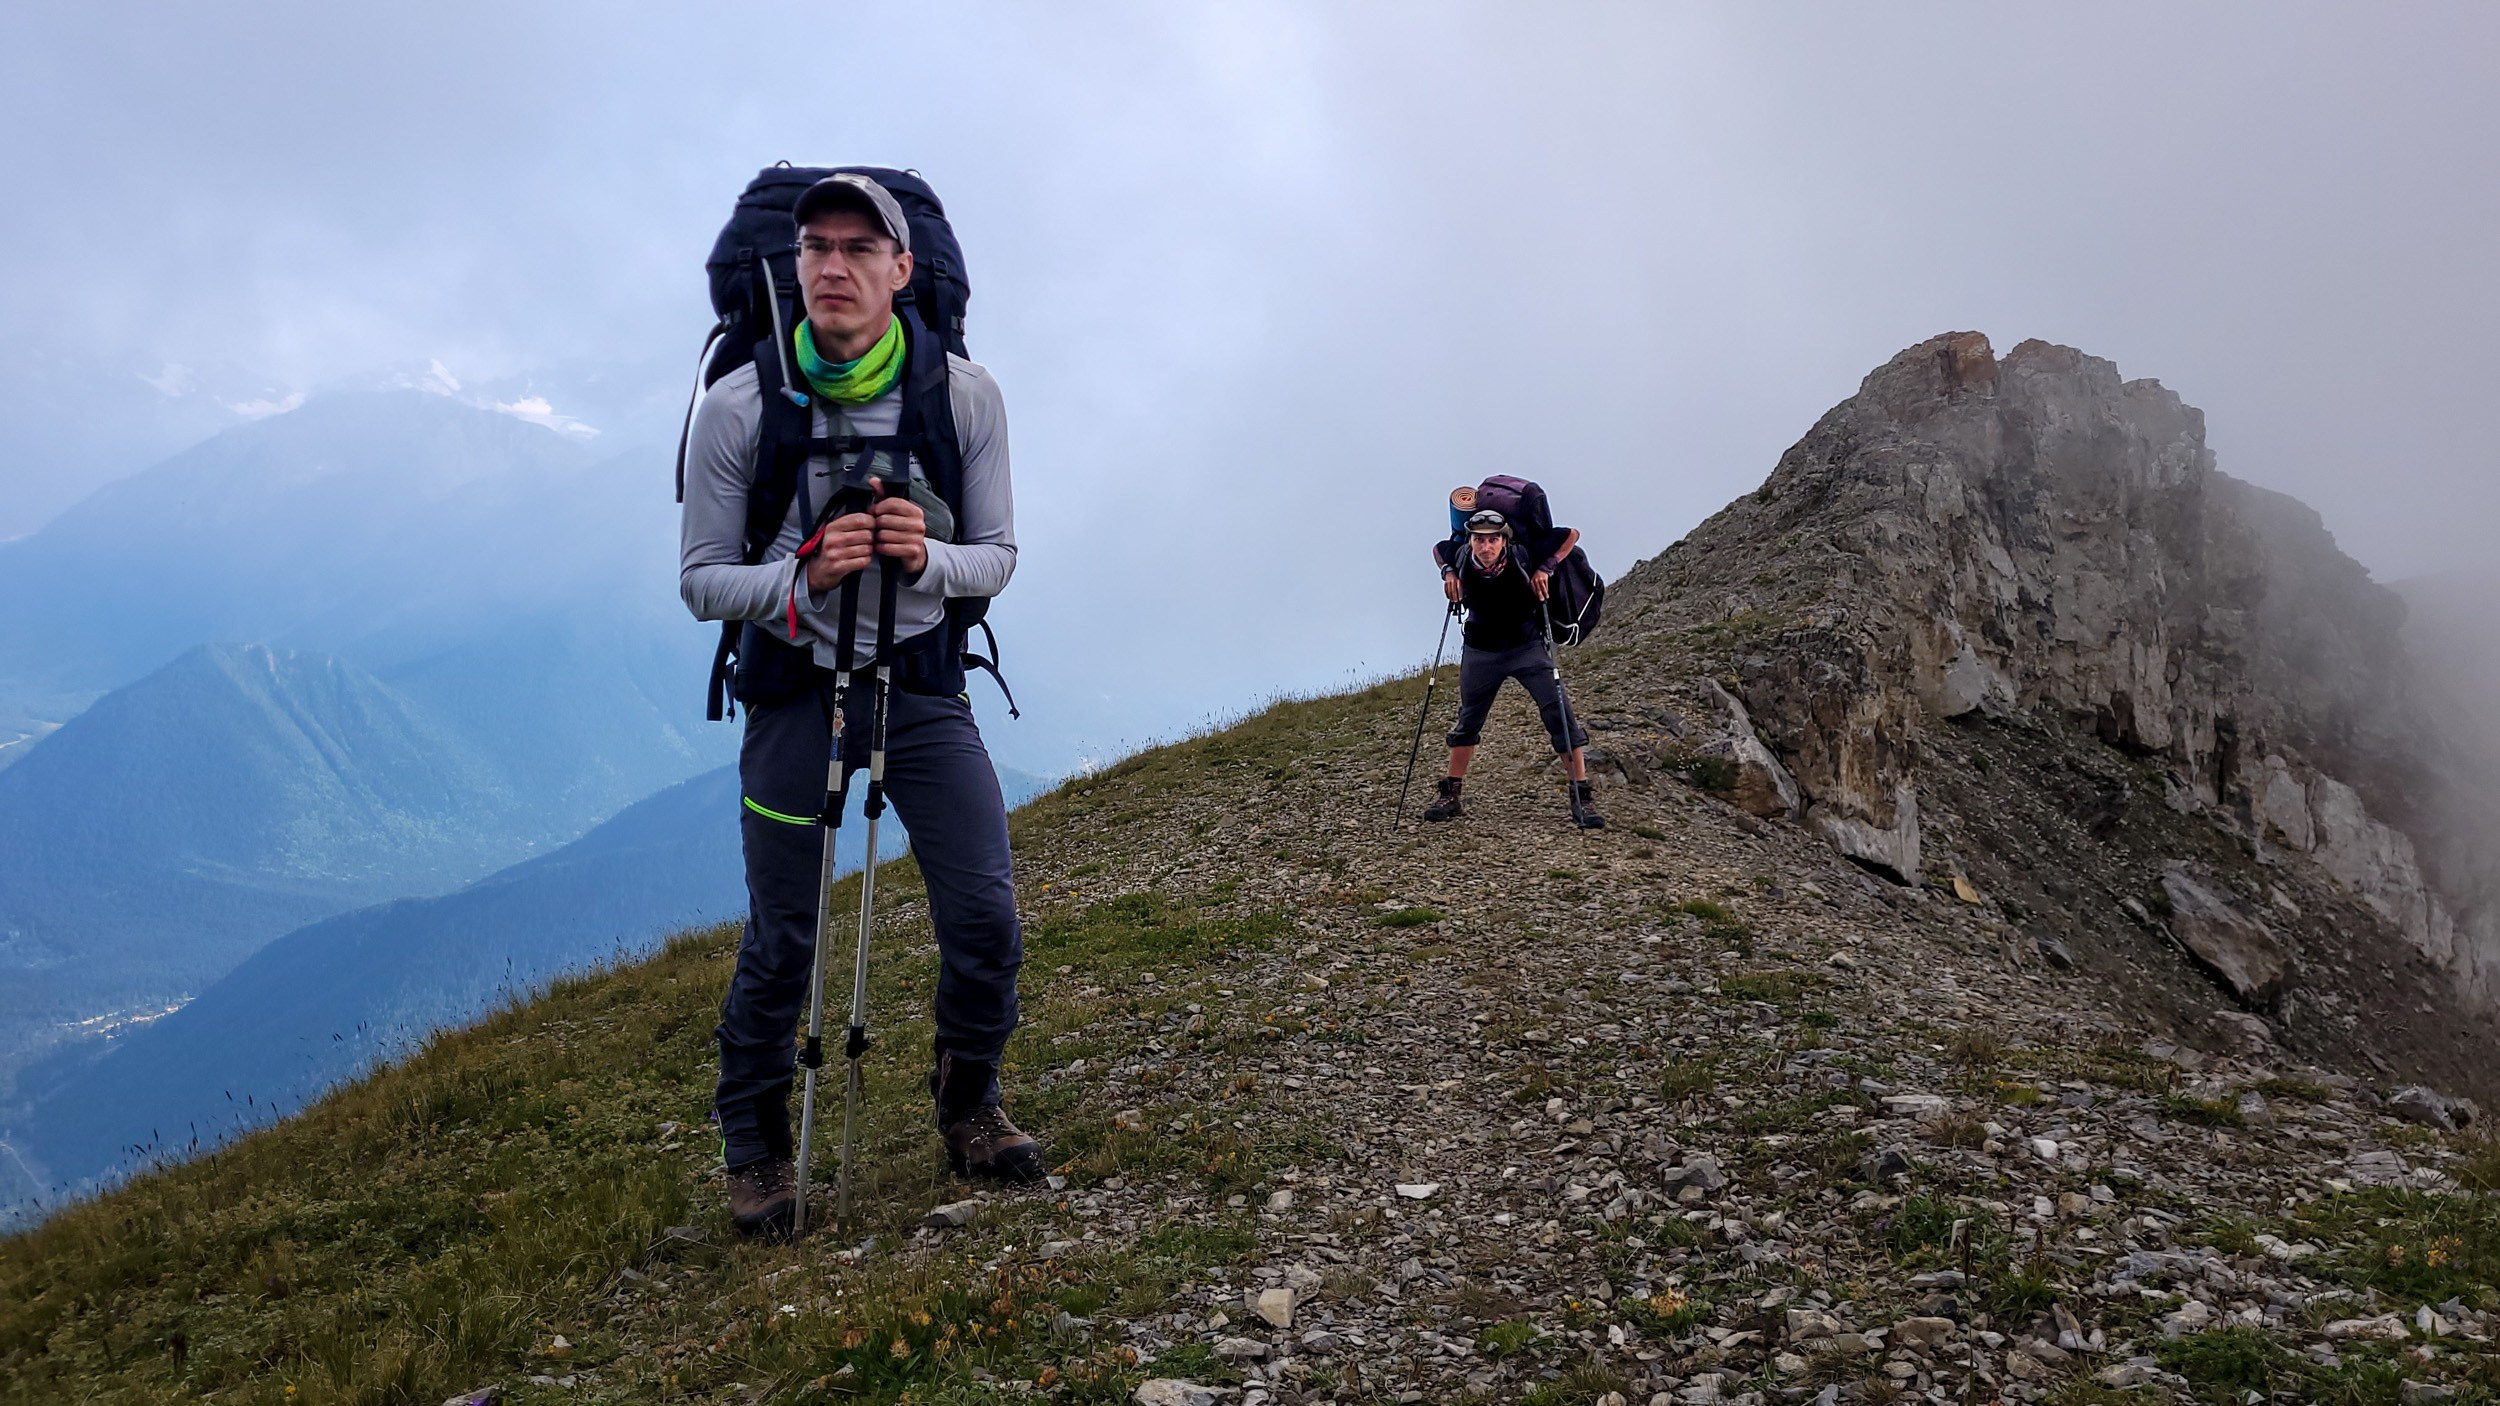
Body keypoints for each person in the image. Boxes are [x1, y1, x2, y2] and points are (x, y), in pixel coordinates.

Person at [679, 173, 1041, 1239]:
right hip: (794, 692)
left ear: (901, 269)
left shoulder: (961, 397)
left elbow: (1000, 557)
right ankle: (754, 1150)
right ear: (790, 267)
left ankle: (967, 1097)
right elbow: (701, 578)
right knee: (784, 936)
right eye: (814, 247)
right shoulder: (742, 403)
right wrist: (800, 582)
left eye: (857, 247)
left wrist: (922, 558)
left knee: (984, 914)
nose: (832, 265)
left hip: (922, 685)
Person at [1422, 508, 1604, 829]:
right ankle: (1451, 794)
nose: (1486, 547)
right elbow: (1439, 550)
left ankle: (1581, 796)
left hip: (1527, 647)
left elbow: (1570, 535)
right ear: (1472, 540)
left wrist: (1546, 567)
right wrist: (1449, 572)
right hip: (1481, 650)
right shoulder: (1462, 555)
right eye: (1480, 540)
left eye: (1493, 540)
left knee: (1559, 713)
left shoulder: (1525, 554)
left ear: (1504, 540)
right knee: (1469, 720)